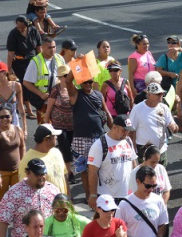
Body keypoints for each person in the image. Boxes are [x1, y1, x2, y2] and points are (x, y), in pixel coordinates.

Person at [65, 66, 113, 201]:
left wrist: (115, 131)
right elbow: (68, 81)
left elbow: (107, 112)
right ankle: (88, 196)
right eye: (85, 82)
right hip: (81, 138)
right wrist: (77, 65)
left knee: (101, 168)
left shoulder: (98, 95)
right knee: (85, 170)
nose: (88, 84)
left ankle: (100, 194)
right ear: (80, 82)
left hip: (99, 137)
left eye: (90, 82)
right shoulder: (75, 94)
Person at [0, 158, 60, 237]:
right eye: (37, 174)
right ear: (28, 173)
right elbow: (3, 218)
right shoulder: (14, 192)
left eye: (43, 174)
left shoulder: (53, 190)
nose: (41, 177)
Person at [87, 114, 137, 208]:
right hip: (108, 197)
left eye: (128, 130)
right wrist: (93, 195)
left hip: (128, 194)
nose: (126, 133)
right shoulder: (99, 145)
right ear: (114, 127)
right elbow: (92, 171)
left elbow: (133, 163)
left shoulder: (128, 141)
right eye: (124, 130)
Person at [129, 82, 178, 165]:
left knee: (161, 171)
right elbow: (131, 130)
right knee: (146, 172)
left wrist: (174, 127)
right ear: (149, 95)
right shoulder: (138, 109)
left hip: (161, 149)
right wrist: (132, 149)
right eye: (158, 94)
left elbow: (175, 127)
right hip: (144, 150)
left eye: (162, 93)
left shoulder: (164, 108)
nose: (161, 95)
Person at [6, 15, 42, 120]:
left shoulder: (33, 31)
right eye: (18, 27)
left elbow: (39, 48)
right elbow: (10, 53)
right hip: (19, 63)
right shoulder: (13, 34)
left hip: (33, 61)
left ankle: (36, 104)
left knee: (36, 83)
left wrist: (41, 62)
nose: (20, 29)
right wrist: (9, 68)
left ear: (27, 26)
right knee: (25, 84)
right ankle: (29, 110)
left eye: (22, 27)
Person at [43, 63, 74, 183]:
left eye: (68, 75)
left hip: (72, 125)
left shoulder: (74, 89)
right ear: (60, 77)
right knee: (65, 148)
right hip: (59, 126)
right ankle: (69, 172)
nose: (67, 77)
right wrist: (46, 125)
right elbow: (49, 109)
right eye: (65, 75)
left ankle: (66, 168)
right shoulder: (55, 90)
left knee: (72, 147)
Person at [22, 36, 65, 124]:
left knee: (60, 127)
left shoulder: (59, 58)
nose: (52, 50)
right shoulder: (35, 62)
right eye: (49, 48)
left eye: (54, 47)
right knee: (46, 129)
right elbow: (26, 82)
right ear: (42, 48)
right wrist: (40, 94)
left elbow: (66, 76)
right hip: (44, 102)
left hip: (59, 100)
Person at [0, 104, 25, 213]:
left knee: (18, 199)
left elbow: (22, 147)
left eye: (7, 116)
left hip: (16, 171)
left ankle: (15, 221)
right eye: (1, 117)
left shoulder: (18, 129)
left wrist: (23, 165)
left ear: (12, 116)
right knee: (0, 200)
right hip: (2, 172)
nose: (4, 119)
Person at [18, 123, 67, 194]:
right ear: (46, 139)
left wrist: (68, 197)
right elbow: (24, 188)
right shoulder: (27, 160)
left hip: (61, 200)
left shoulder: (57, 152)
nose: (56, 137)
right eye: (54, 136)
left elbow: (64, 176)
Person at [0, 61, 27, 132]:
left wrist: (24, 127)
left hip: (13, 119)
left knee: (16, 138)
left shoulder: (16, 86)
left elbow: (20, 106)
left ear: (5, 72)